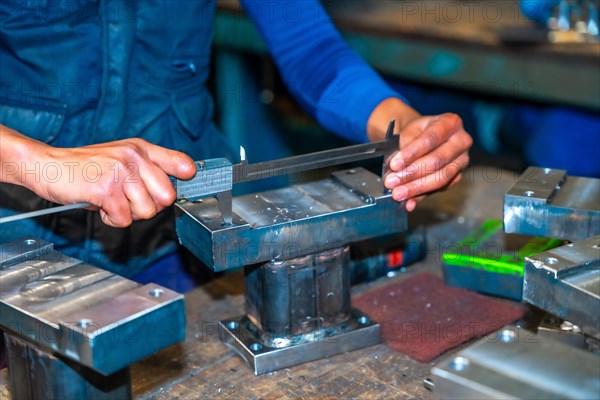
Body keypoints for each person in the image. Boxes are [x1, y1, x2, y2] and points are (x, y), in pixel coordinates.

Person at [0, 1, 471, 277]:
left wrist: (405, 126)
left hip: (174, 236)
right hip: (15, 245)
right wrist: (36, 163)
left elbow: (309, 46)